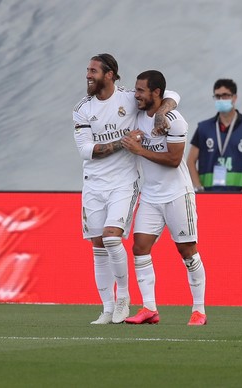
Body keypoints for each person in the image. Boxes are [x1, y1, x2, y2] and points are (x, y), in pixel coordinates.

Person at [72, 54, 180, 324]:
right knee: (98, 247)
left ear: (109, 74)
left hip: (123, 183)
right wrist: (123, 142)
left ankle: (123, 298)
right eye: (87, 70)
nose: (88, 75)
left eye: (93, 71)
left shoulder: (128, 99)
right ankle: (107, 308)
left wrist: (163, 113)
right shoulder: (82, 109)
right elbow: (86, 150)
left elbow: (172, 94)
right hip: (94, 184)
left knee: (111, 238)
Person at [122, 70, 207, 326]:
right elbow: (173, 94)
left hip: (178, 194)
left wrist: (139, 149)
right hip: (150, 196)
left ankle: (199, 310)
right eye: (136, 90)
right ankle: (149, 308)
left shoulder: (174, 120)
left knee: (187, 251)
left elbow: (173, 160)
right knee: (139, 248)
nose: (136, 95)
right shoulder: (140, 112)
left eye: (141, 91)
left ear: (155, 93)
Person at [187, 79, 242, 192]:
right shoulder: (203, 128)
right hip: (210, 194)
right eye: (217, 96)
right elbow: (190, 161)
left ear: (234, 97)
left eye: (225, 95)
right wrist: (198, 187)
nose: (221, 99)